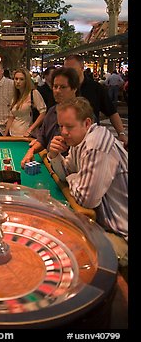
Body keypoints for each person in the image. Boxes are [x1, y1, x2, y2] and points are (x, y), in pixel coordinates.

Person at [47, 97, 128, 267]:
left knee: (67, 249)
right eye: (61, 126)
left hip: (122, 234)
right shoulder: (79, 140)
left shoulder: (95, 145)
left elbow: (86, 199)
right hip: (105, 223)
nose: (63, 132)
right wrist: (54, 156)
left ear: (87, 123)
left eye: (69, 126)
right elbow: (67, 171)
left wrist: (73, 178)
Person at [64, 54, 127, 149]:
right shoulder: (62, 88)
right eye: (66, 70)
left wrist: (121, 133)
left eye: (72, 70)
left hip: (91, 141)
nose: (68, 73)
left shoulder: (95, 88)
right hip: (67, 140)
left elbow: (111, 112)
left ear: (82, 68)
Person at [21, 67, 80, 168]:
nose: (57, 91)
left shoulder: (82, 114)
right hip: (51, 163)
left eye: (62, 87)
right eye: (55, 86)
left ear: (74, 89)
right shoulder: (52, 110)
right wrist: (31, 151)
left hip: (71, 171)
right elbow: (42, 139)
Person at [4, 68, 46, 137]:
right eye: (16, 79)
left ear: (27, 81)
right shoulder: (15, 96)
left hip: (27, 136)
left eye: (21, 79)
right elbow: (11, 117)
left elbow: (43, 113)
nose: (18, 81)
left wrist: (30, 129)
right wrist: (5, 135)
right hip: (12, 134)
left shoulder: (33, 93)